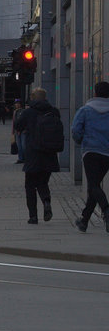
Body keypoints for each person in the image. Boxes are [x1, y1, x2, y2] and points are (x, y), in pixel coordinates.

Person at [15, 88, 61, 224]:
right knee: (43, 182)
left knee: (30, 185)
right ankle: (46, 202)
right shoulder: (54, 111)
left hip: (33, 153)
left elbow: (18, 125)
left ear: (33, 98)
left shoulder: (29, 112)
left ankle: (33, 216)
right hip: (49, 153)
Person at [71, 80, 109, 232]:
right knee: (95, 185)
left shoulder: (85, 110)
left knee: (93, 185)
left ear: (95, 93)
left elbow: (76, 130)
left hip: (91, 151)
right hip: (107, 153)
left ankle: (106, 209)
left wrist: (81, 140)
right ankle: (84, 220)